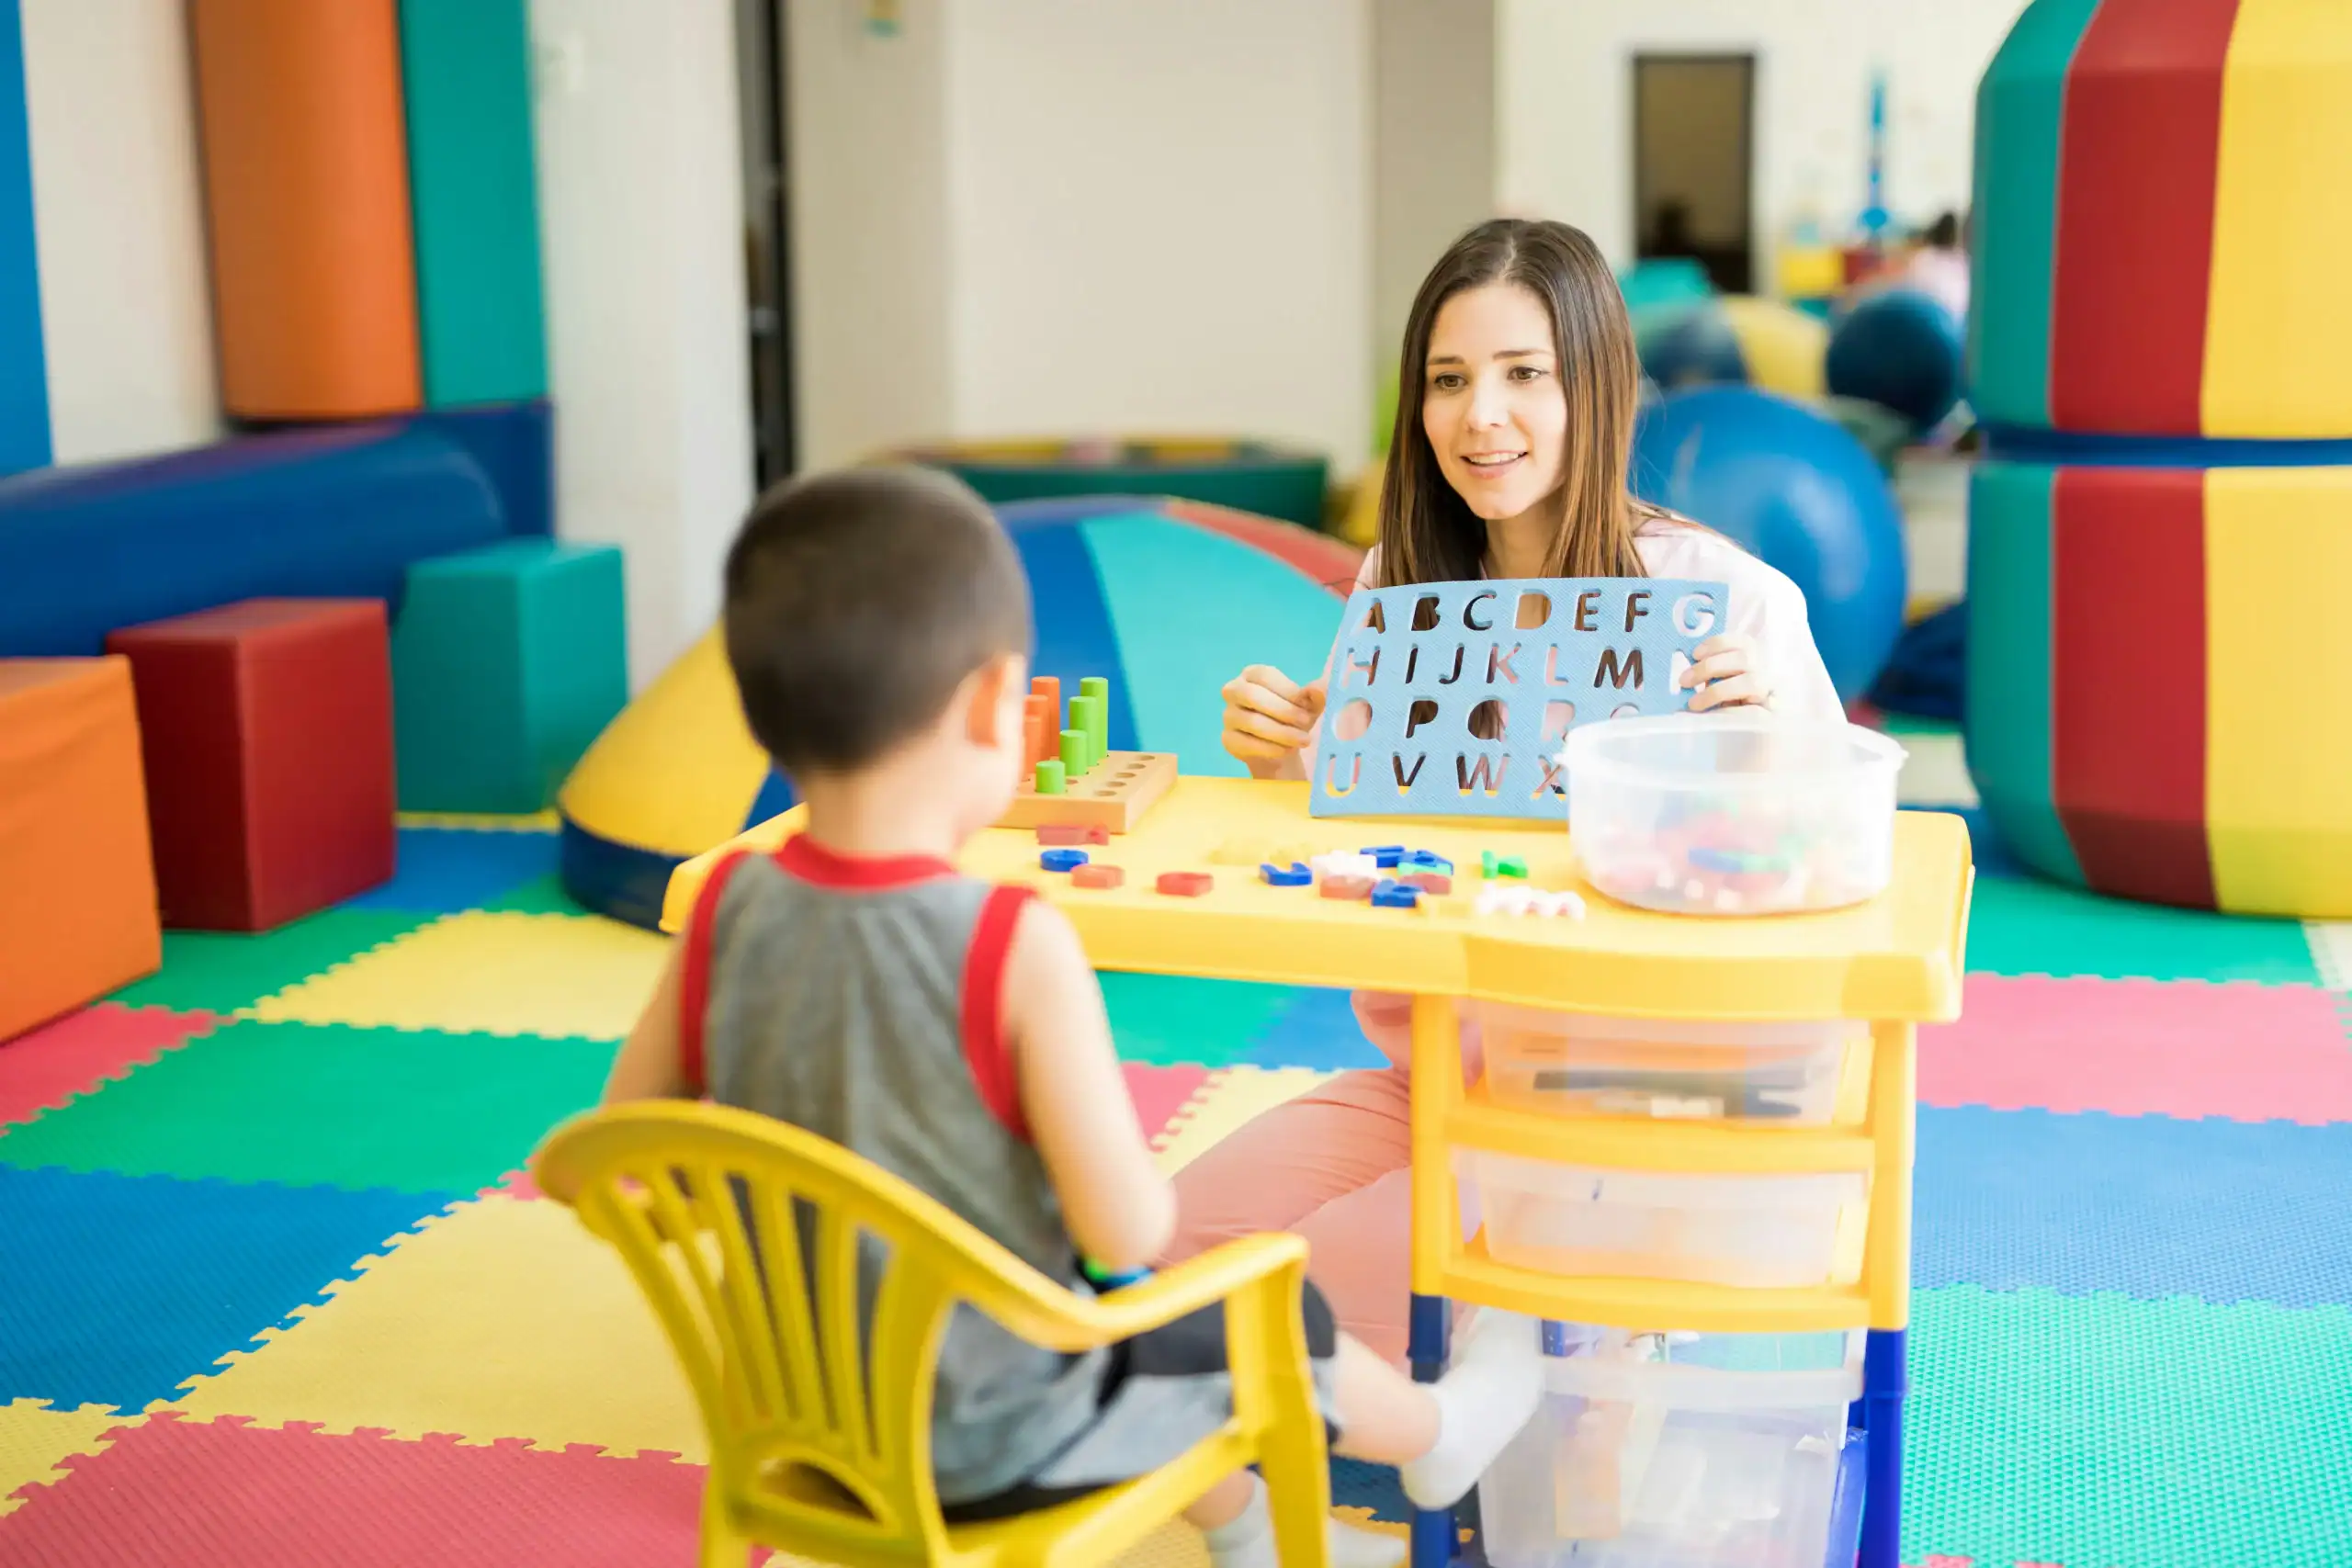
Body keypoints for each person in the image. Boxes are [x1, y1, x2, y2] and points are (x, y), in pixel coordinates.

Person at [599, 467, 1543, 1568]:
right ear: (995, 704)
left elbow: (629, 1156)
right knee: (1231, 1312)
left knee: (1119, 1314)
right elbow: (1128, 1236)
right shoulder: (1009, 942)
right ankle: (1437, 1435)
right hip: (998, 1439)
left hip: (794, 1418)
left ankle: (1242, 1529)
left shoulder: (722, 906)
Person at [1189, 218, 1844, 1364]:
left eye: (1523, 374)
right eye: (1447, 381)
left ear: (1598, 387)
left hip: (1637, 1113)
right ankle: (1530, 1369)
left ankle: (1593, 1359)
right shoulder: (1404, 589)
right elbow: (1373, 823)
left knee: (1293, 1312)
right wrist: (1284, 753)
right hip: (1436, 1075)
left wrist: (1769, 760)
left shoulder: (1726, 598)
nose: (1478, 416)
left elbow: (1844, 878)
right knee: (1153, 1259)